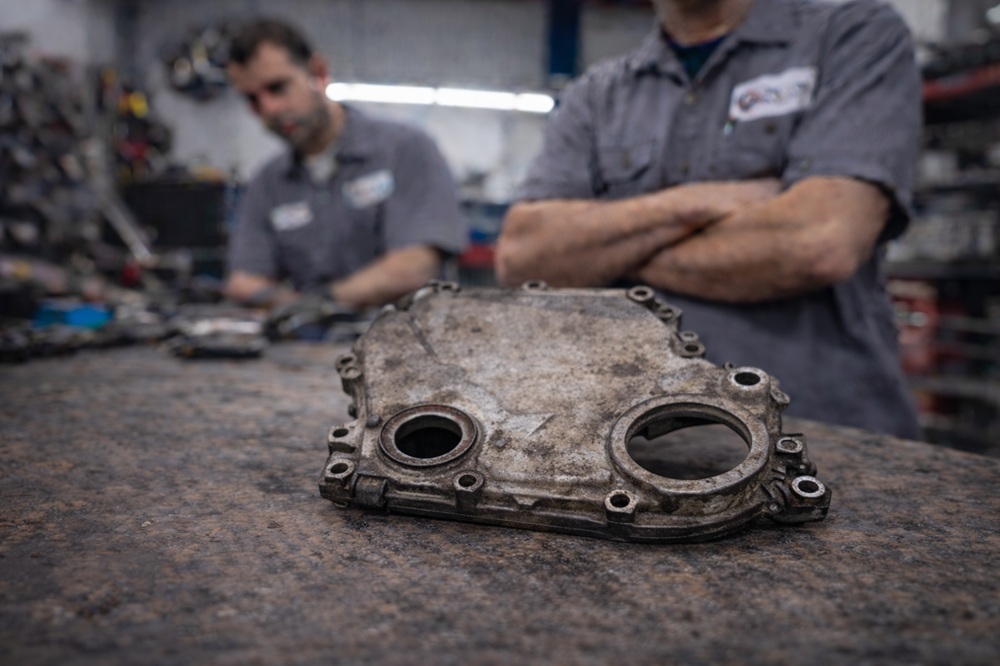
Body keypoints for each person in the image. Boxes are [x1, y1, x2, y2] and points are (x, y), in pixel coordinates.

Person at [495, 0, 922, 439]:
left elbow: (819, 241)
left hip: (818, 434)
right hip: (636, 436)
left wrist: (604, 253)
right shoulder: (598, 93)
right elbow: (522, 258)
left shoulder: (849, 34)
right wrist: (700, 202)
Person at [223, 19, 467, 310]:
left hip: (409, 333)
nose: (269, 109)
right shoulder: (267, 184)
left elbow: (413, 267)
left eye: (278, 88)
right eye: (252, 99)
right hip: (307, 336)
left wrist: (319, 304)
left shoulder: (405, 150)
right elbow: (244, 279)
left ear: (318, 73)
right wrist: (292, 306)